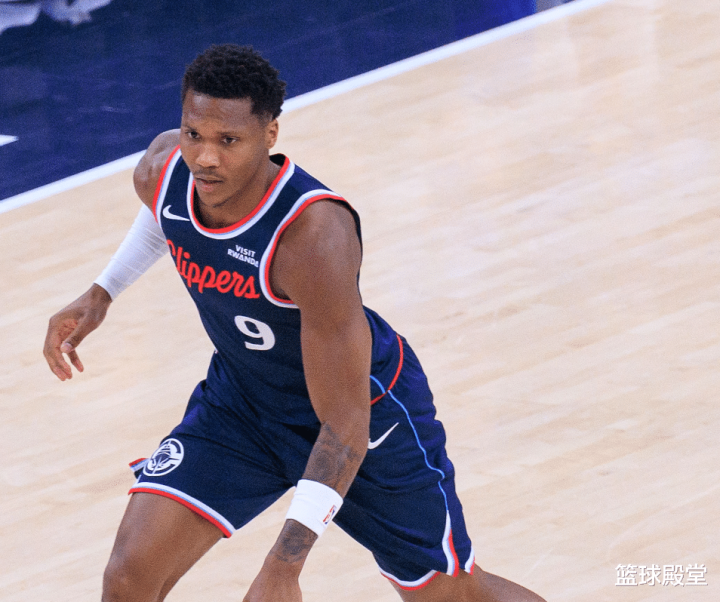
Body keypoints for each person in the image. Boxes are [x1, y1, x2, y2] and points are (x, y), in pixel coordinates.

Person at [43, 44, 546, 602]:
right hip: (244, 403)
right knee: (128, 577)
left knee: (451, 595)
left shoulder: (313, 237)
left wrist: (283, 565)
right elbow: (167, 215)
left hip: (362, 413)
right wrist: (102, 291)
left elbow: (345, 422)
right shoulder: (165, 169)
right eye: (193, 134)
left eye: (228, 141)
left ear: (270, 135)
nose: (205, 158)